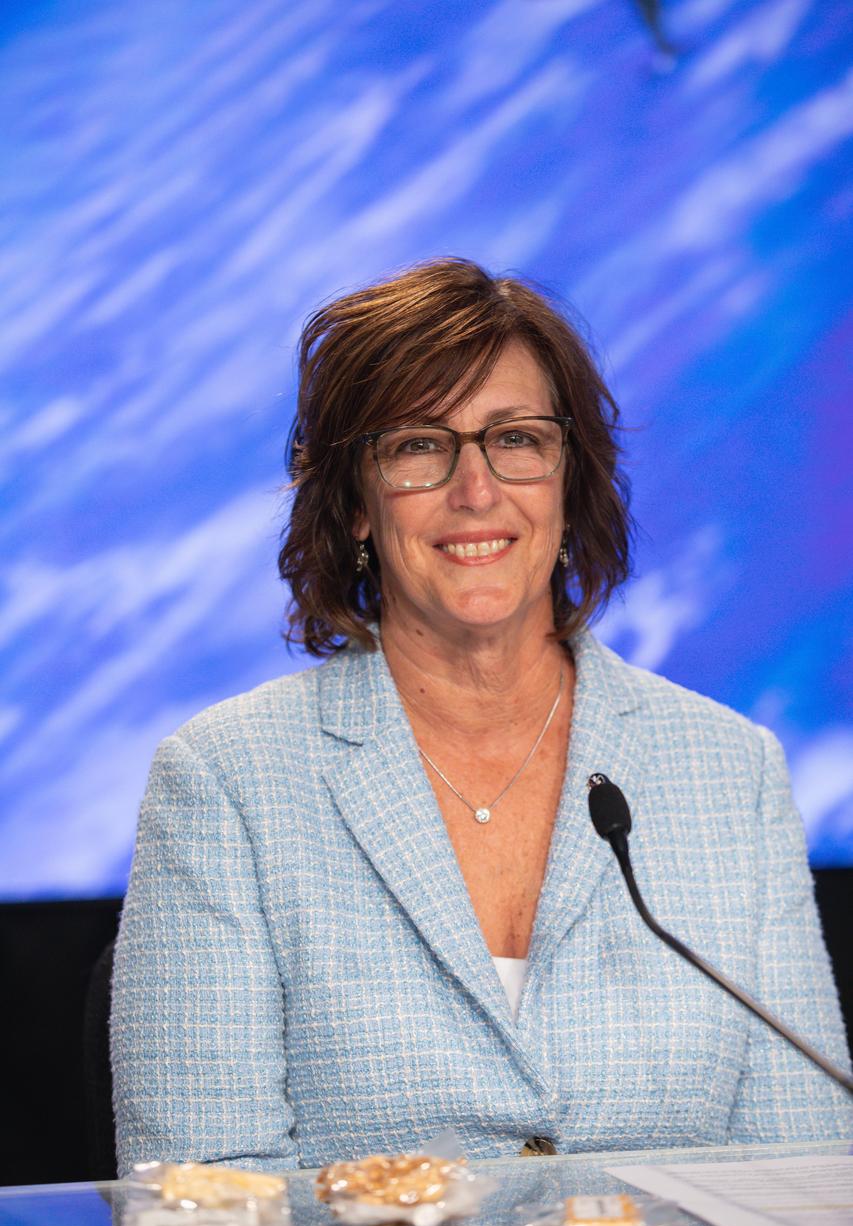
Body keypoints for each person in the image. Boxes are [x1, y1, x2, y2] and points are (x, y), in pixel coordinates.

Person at [111, 258, 850, 1176]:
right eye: (418, 445)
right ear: (351, 503)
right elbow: (203, 1201)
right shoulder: (227, 780)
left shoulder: (726, 769)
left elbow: (806, 1168)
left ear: (567, 479)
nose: (476, 490)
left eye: (516, 439)